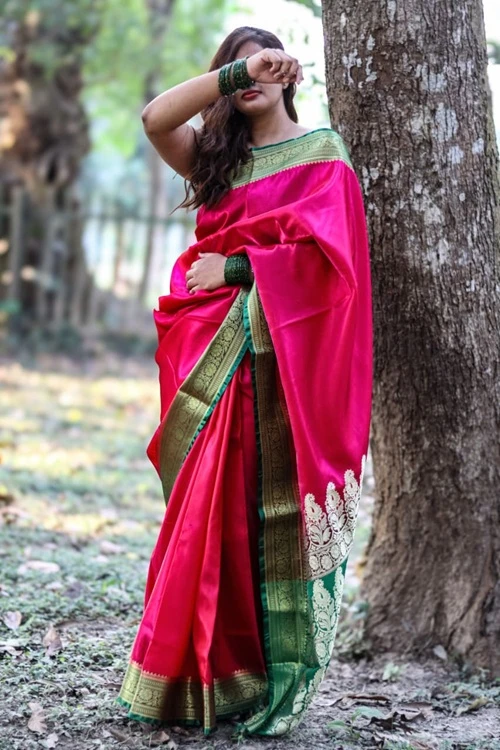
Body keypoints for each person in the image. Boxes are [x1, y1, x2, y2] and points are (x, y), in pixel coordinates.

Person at [117, 25, 373, 737]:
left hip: (279, 371)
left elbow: (333, 270)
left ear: (290, 76)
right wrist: (238, 73)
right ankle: (196, 679)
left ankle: (261, 673)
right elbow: (154, 118)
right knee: (206, 519)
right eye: (235, 70)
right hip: (209, 361)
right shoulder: (214, 161)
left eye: (264, 67)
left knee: (261, 521)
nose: (250, 79)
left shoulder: (322, 158)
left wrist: (238, 268)